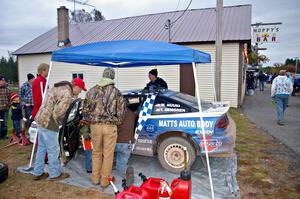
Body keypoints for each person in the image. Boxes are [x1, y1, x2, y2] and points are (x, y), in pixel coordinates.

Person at [32, 78, 87, 180]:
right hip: (49, 123)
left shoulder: (59, 87)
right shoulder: (67, 94)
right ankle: (55, 174)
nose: (79, 93)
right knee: (53, 150)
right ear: (76, 87)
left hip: (41, 119)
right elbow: (58, 113)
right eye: (79, 90)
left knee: (41, 148)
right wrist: (61, 123)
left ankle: (37, 172)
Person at [82, 67, 126, 188]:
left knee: (96, 152)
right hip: (109, 127)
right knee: (108, 154)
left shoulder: (91, 91)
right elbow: (122, 112)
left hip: (95, 126)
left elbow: (84, 110)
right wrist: (115, 121)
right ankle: (104, 181)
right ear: (112, 77)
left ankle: (95, 179)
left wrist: (92, 120)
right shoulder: (116, 92)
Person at [115, 108, 135, 186]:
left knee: (106, 155)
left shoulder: (117, 114)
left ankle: (125, 171)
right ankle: (126, 171)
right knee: (123, 160)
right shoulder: (132, 114)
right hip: (129, 143)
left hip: (118, 141)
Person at [0, 75, 11, 139]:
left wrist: (9, 104)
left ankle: (4, 135)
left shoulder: (7, 89)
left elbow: (10, 98)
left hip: (5, 109)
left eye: (4, 80)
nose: (3, 82)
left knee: (5, 123)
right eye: (2, 80)